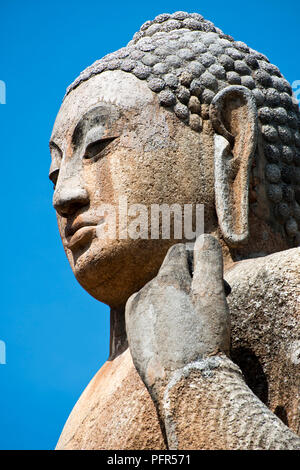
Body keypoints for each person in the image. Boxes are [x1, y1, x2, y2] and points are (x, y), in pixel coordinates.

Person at [49, 12, 300, 449]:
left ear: (234, 142)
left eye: (97, 148)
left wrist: (196, 381)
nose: (64, 195)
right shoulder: (90, 397)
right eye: (55, 170)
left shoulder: (291, 295)